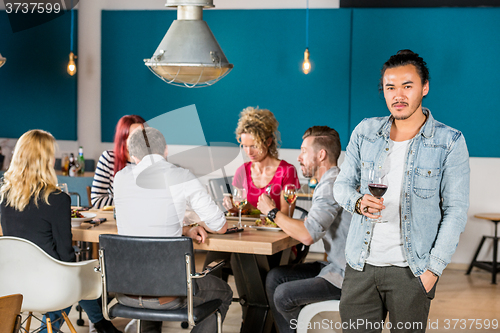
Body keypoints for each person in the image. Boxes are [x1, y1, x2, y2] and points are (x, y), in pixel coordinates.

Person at [333, 50, 470, 332]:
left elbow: (455, 212)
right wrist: (359, 203)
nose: (398, 95)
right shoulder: (365, 132)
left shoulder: (449, 141)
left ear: (425, 87)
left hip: (412, 272)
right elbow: (341, 185)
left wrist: (433, 270)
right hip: (361, 268)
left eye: (407, 86)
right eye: (390, 87)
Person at [113, 126, 233, 333]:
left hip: (124, 291)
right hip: (168, 293)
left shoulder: (120, 178)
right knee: (224, 291)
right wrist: (195, 225)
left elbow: (146, 218)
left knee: (151, 279)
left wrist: (185, 229)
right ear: (166, 150)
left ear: (132, 156)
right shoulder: (181, 176)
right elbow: (220, 226)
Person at [0, 130, 121, 333]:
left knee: (77, 277)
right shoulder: (56, 199)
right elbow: (65, 255)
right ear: (45, 159)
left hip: (13, 284)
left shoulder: (5, 197)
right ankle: (51, 330)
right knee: (85, 273)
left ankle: (101, 324)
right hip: (49, 287)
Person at [257, 126, 352, 333]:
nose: (299, 157)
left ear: (321, 155)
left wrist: (272, 212)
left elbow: (307, 236)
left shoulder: (331, 185)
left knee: (283, 294)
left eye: (303, 151)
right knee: (275, 277)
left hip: (346, 275)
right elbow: (310, 226)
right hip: (335, 265)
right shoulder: (330, 181)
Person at [227, 107, 301, 216]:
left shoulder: (287, 171)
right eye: (245, 146)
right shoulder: (241, 171)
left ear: (268, 142)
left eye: (254, 146)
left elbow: (286, 215)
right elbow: (240, 215)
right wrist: (232, 207)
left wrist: (251, 208)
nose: (249, 152)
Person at [91, 115, 145, 208]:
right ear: (123, 139)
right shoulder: (109, 158)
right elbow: (97, 200)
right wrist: (132, 202)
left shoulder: (152, 160)